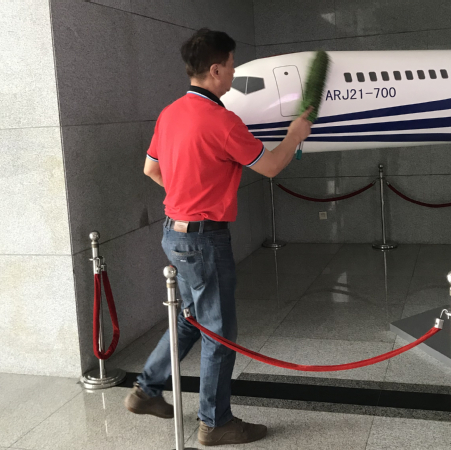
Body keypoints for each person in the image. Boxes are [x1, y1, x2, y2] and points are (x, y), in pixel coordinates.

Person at [124, 28, 313, 446]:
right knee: (219, 333)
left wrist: (186, 196)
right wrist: (295, 135)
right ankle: (215, 423)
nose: (233, 71)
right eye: (231, 64)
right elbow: (270, 166)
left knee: (190, 320)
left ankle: (146, 390)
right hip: (205, 240)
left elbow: (152, 169)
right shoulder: (223, 121)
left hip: (173, 233)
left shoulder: (170, 113)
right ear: (215, 69)